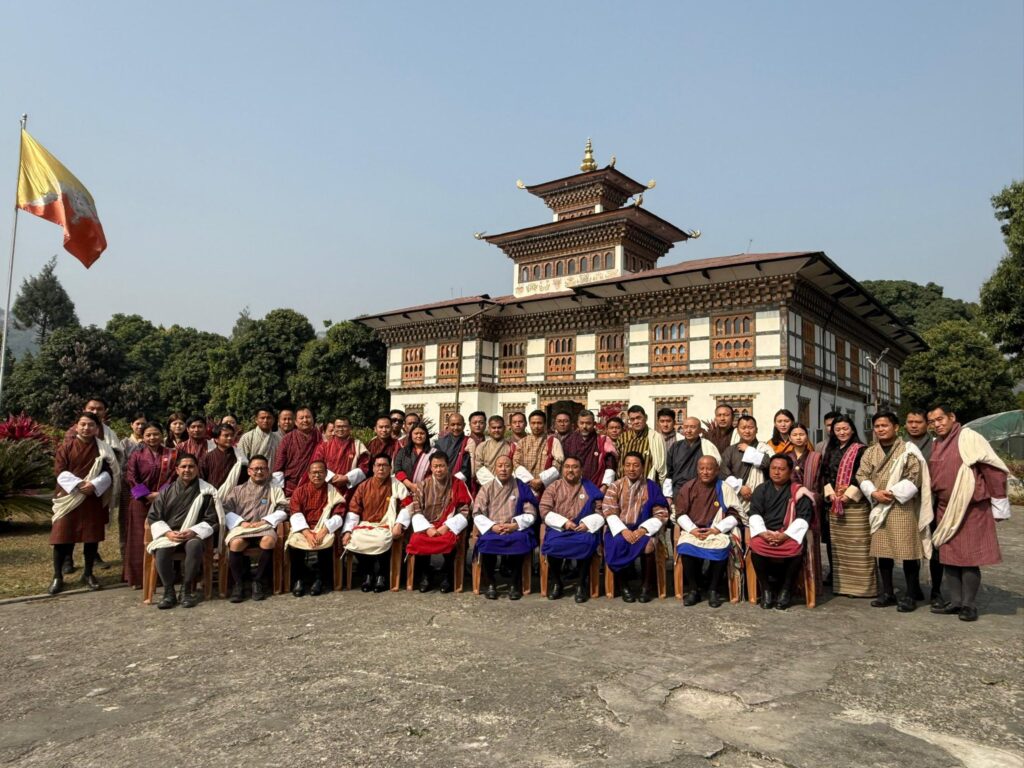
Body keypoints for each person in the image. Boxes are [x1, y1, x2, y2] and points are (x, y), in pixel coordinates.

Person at [927, 405, 1009, 622]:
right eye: (932, 422)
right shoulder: (937, 443)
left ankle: (969, 605)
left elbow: (993, 469)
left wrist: (999, 500)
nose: (937, 424)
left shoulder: (969, 438)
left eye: (940, 419)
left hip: (972, 508)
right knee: (949, 558)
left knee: (969, 558)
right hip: (945, 509)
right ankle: (955, 602)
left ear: (952, 417)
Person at [857, 412, 931, 613]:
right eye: (877, 426)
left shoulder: (908, 450)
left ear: (896, 427)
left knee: (908, 552)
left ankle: (911, 594)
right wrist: (874, 492)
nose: (880, 429)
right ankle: (888, 592)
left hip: (901, 506)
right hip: (879, 505)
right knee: (883, 552)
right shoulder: (870, 452)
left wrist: (890, 493)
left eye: (885, 425)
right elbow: (862, 474)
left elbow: (915, 476)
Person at [49, 412, 119, 595]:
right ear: (77, 426)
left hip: (92, 498)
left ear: (97, 428)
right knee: (61, 538)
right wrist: (79, 485)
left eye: (91, 425)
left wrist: (94, 485)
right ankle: (57, 576)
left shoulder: (103, 449)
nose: (86, 428)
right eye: (83, 424)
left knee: (91, 538)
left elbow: (109, 472)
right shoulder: (66, 447)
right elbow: (59, 470)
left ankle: (88, 573)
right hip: (70, 497)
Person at [146, 454, 218, 609]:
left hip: (193, 535)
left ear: (197, 469)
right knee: (162, 549)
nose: (187, 470)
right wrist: (168, 533)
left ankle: (186, 590)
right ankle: (169, 592)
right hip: (170, 534)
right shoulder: (166, 491)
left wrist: (193, 531)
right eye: (183, 467)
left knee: (194, 545)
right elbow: (154, 517)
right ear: (177, 470)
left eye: (191, 466)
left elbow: (212, 519)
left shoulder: (207, 491)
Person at [673, 455, 743, 607]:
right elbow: (680, 513)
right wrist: (692, 529)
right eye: (702, 468)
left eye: (709, 469)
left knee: (722, 546)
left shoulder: (724, 488)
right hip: (693, 530)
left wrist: (717, 529)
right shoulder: (688, 487)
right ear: (697, 470)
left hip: (716, 530)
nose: (705, 472)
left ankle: (713, 589)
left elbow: (735, 514)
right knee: (685, 546)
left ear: (717, 470)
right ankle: (693, 589)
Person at [748, 454, 814, 610]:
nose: (776, 472)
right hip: (766, 533)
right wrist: (763, 533)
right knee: (756, 545)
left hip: (788, 534)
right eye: (773, 468)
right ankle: (766, 589)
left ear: (790, 471)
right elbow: (754, 513)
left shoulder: (798, 491)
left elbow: (804, 517)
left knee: (795, 547)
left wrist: (785, 535)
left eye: (781, 469)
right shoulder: (761, 489)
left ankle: (786, 590)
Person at [602, 452, 670, 603]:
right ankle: (623, 586)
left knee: (648, 545)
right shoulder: (615, 486)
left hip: (643, 528)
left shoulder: (652, 487)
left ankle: (646, 586)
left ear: (643, 467)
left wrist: (643, 530)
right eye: (628, 465)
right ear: (623, 467)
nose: (631, 469)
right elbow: (608, 511)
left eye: (636, 465)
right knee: (618, 543)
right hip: (619, 529)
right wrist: (623, 530)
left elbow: (661, 513)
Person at [539, 455, 605, 602]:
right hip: (560, 528)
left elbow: (601, 511)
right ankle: (557, 582)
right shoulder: (553, 487)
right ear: (562, 469)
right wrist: (564, 523)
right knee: (553, 544)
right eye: (567, 467)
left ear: (581, 470)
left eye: (575, 467)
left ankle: (581, 584)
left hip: (582, 528)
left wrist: (588, 524)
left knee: (587, 542)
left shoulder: (590, 488)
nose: (570, 470)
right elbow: (544, 510)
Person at [222, 455, 288, 602]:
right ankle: (238, 583)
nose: (259, 472)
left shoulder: (274, 489)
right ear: (249, 471)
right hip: (243, 527)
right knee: (236, 543)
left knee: (268, 541)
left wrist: (265, 521)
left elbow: (283, 508)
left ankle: (258, 581)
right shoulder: (237, 490)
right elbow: (225, 510)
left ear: (268, 471)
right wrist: (241, 523)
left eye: (263, 468)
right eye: (256, 469)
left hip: (264, 526)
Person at [403, 452, 472, 593]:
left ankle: (448, 575)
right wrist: (428, 528)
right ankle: (426, 575)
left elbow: (465, 511)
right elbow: (416, 510)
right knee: (417, 540)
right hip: (427, 525)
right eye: (435, 466)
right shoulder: (422, 485)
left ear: (448, 466)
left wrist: (447, 526)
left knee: (450, 541)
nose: (438, 470)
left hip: (447, 525)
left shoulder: (458, 484)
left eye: (442, 466)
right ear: (431, 467)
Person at [820, 415, 872, 598]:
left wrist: (848, 495)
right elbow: (824, 475)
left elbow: (864, 474)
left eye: (845, 429)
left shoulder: (862, 450)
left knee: (858, 547)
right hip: (834, 503)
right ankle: (842, 586)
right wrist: (831, 494)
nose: (841, 432)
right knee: (839, 547)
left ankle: (861, 588)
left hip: (855, 506)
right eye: (838, 429)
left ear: (852, 429)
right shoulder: (831, 450)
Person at [474, 455, 538, 600]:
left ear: (512, 468)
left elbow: (531, 513)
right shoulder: (487, 488)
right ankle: (490, 583)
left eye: (507, 466)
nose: (503, 469)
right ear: (494, 469)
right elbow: (477, 513)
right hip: (493, 528)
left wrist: (515, 525)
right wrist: (493, 526)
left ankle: (514, 584)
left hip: (514, 528)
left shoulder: (521, 487)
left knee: (520, 541)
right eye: (500, 466)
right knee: (486, 542)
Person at [342, 454, 410, 592]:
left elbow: (407, 506)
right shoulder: (363, 486)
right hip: (366, 525)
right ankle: (368, 573)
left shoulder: (397, 485)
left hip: (387, 525)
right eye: (378, 465)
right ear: (373, 468)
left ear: (390, 468)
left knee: (383, 539)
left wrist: (399, 524)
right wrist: (348, 530)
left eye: (385, 466)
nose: (381, 469)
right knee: (353, 539)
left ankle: (382, 575)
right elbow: (354, 510)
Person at [124, 422, 177, 588]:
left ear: (162, 435)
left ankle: (163, 577)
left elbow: (175, 476)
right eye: (148, 435)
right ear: (143, 437)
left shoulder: (172, 454)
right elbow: (131, 477)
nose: (152, 438)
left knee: (162, 536)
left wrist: (160, 494)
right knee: (139, 539)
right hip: (141, 502)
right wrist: (146, 495)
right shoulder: (136, 455)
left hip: (165, 501)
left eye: (156, 434)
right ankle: (139, 578)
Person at [285, 460, 345, 597]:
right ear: (308, 474)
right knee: (294, 542)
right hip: (304, 529)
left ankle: (320, 579)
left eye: (320, 472)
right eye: (314, 472)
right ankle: (298, 579)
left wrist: (323, 531)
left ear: (326, 474)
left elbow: (339, 514)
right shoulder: (300, 492)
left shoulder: (333, 492)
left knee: (326, 542)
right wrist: (307, 533)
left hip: (323, 528)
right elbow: (295, 513)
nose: (317, 475)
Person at [904, 408, 941, 605]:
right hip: (907, 503)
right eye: (910, 422)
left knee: (935, 547)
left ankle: (936, 591)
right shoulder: (900, 445)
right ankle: (913, 589)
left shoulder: (937, 445)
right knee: (910, 548)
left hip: (932, 501)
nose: (914, 425)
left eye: (918, 422)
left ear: (927, 424)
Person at [718, 415, 771, 518]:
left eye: (750, 427)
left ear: (756, 430)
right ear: (738, 431)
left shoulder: (764, 448)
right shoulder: (730, 451)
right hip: (736, 498)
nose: (747, 431)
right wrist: (739, 487)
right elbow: (723, 472)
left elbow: (769, 464)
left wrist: (749, 451)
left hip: (762, 497)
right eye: (743, 428)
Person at [311, 417, 369, 501]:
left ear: (350, 428)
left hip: (350, 489)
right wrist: (332, 477)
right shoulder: (323, 446)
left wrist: (347, 478)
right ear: (334, 428)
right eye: (338, 426)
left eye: (344, 426)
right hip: (327, 486)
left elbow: (364, 467)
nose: (341, 429)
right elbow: (316, 465)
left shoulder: (358, 445)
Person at [665, 417, 722, 499]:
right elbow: (669, 472)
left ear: (700, 430)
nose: (688, 430)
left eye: (692, 427)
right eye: (686, 427)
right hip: (679, 490)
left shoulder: (708, 446)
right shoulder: (675, 446)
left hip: (702, 490)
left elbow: (717, 467)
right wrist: (668, 496)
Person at [561, 410, 617, 490]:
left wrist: (605, 486)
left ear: (594, 424)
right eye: (581, 423)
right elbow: (563, 465)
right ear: (577, 423)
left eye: (588, 423)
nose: (584, 426)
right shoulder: (569, 441)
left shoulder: (602, 441)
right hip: (571, 486)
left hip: (595, 487)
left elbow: (610, 465)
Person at [513, 410, 565, 494]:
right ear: (529, 424)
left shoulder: (553, 441)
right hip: (526, 487)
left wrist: (541, 480)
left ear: (545, 424)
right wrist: (530, 480)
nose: (536, 426)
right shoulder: (522, 442)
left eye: (539, 423)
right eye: (533, 423)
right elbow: (516, 463)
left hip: (548, 488)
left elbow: (559, 463)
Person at [271, 407, 319, 495]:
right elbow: (278, 466)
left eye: (308, 417)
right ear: (295, 422)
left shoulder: (319, 438)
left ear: (313, 419)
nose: (305, 420)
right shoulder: (287, 439)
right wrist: (278, 492)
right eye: (301, 418)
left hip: (315, 485)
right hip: (290, 487)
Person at [618, 405, 665, 482]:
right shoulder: (623, 438)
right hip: (624, 485)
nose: (636, 422)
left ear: (645, 417)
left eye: (638, 418)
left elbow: (661, 468)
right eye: (632, 419)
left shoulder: (655, 438)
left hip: (647, 485)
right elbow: (617, 462)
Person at [200, 423, 246, 494]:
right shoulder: (207, 457)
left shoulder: (240, 457)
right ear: (216, 439)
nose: (230, 438)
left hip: (235, 495)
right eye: (226, 436)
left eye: (232, 435)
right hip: (212, 495)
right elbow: (202, 480)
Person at [472, 415, 517, 487]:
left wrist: (504, 484)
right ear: (489, 429)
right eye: (493, 428)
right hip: (487, 486)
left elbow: (516, 468)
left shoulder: (512, 446)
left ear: (504, 428)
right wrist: (495, 485)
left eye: (499, 427)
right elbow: (478, 468)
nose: (496, 430)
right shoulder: (482, 446)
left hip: (508, 486)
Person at [394, 422, 435, 492]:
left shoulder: (434, 453)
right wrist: (410, 485)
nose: (419, 436)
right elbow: (397, 470)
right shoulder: (403, 452)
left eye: (422, 433)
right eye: (416, 433)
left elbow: (436, 472)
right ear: (411, 435)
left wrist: (421, 485)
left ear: (426, 435)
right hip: (404, 490)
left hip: (427, 490)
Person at [435, 412, 473, 482]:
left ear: (464, 425)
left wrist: (453, 481)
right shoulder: (440, 443)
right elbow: (436, 463)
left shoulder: (469, 442)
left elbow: (467, 467)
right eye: (453, 425)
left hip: (461, 481)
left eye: (459, 424)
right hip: (442, 480)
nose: (456, 428)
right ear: (448, 426)